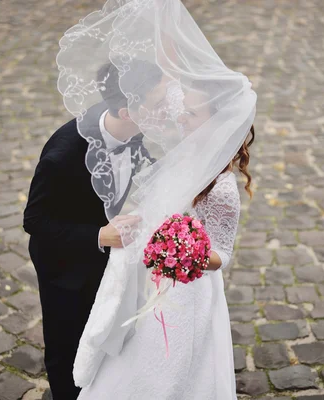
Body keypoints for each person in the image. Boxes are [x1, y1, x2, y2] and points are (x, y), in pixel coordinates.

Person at [75, 82, 255, 399]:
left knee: (169, 374)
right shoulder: (189, 147)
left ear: (217, 122)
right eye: (182, 109)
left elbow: (223, 254)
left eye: (190, 113)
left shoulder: (222, 189)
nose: (180, 117)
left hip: (183, 297)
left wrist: (183, 250)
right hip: (147, 280)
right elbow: (169, 79)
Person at [23, 60, 166, 400]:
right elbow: (34, 221)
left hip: (105, 257)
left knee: (106, 332)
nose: (166, 110)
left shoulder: (131, 123)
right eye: (158, 104)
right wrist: (100, 235)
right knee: (66, 345)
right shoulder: (62, 156)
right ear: (127, 111)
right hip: (63, 265)